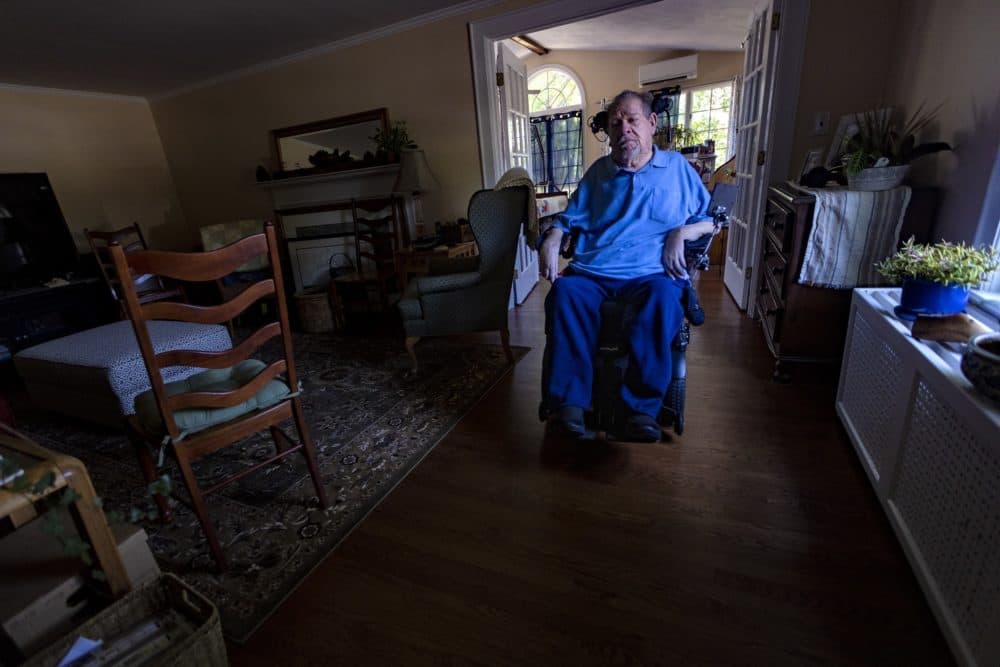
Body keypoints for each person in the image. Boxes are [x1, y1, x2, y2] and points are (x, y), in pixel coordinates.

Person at [539, 90, 716, 442]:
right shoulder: (599, 173)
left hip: (652, 273)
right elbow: (570, 217)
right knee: (565, 293)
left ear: (651, 124)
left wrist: (681, 231)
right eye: (616, 123)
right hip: (594, 271)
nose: (624, 130)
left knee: (664, 298)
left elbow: (711, 220)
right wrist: (554, 236)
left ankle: (641, 409)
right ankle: (570, 404)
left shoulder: (677, 169)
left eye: (632, 120)